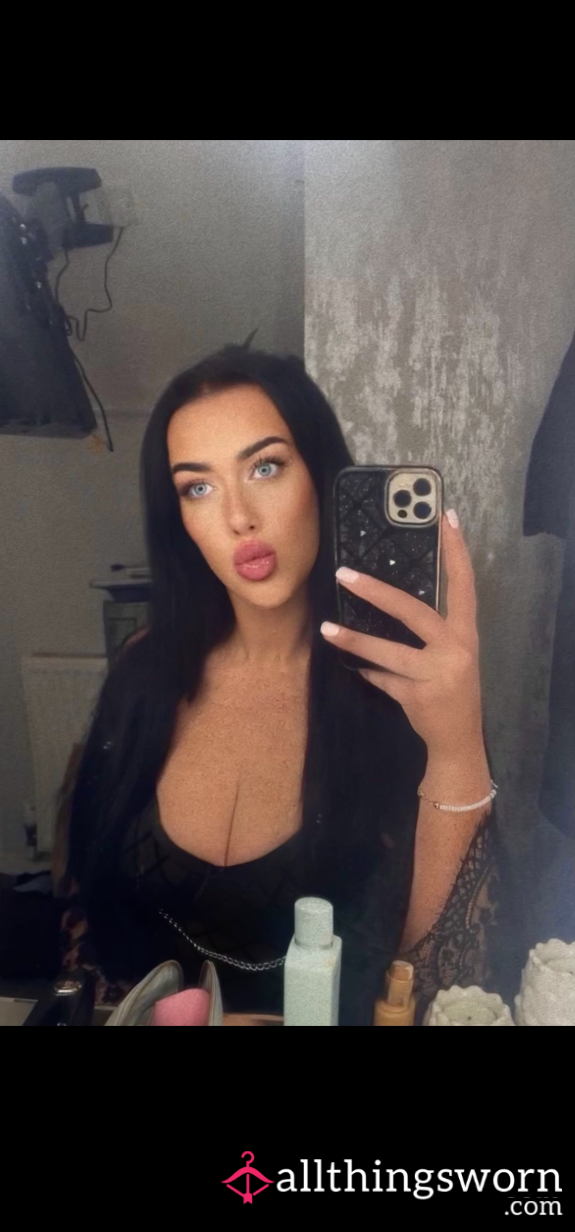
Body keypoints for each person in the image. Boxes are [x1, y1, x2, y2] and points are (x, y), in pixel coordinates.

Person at [62, 346, 501, 1025]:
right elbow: (88, 920)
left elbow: (446, 995)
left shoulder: (405, 689)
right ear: (178, 518)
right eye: (198, 487)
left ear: (321, 477)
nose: (238, 516)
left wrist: (456, 745)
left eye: (265, 467)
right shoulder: (145, 670)